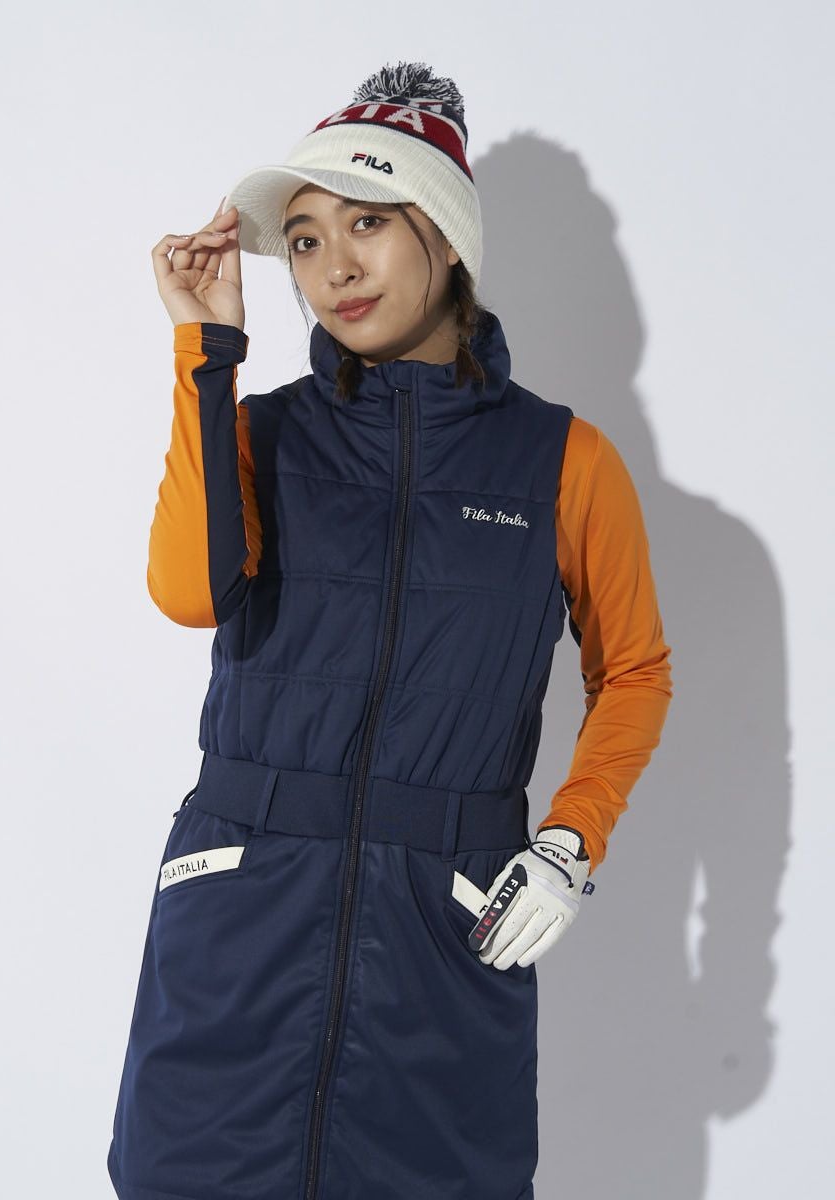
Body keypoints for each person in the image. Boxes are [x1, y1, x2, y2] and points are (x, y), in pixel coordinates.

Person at [107, 61, 673, 1200]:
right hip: (241, 914)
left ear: (446, 238)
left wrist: (569, 844)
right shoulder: (260, 433)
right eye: (304, 239)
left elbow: (635, 672)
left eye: (367, 223)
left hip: (442, 935)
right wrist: (206, 356)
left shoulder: (564, 463)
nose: (334, 268)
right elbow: (190, 592)